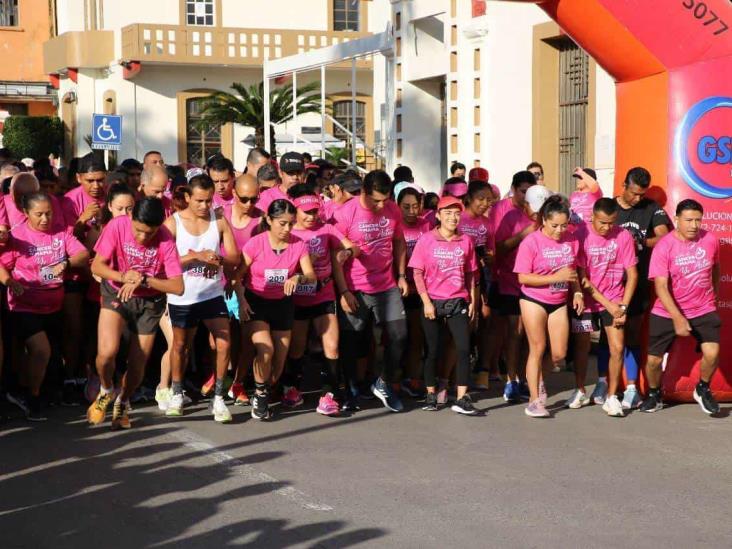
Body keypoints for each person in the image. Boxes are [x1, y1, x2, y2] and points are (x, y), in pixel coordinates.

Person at [87, 197, 183, 430]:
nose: (142, 238)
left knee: (138, 364)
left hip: (149, 303)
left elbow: (178, 286)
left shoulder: (165, 240)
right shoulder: (117, 225)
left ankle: (123, 401)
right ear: (131, 218)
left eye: (149, 234)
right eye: (138, 231)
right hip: (117, 292)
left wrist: (146, 280)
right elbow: (97, 266)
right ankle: (106, 389)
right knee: (107, 352)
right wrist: (124, 276)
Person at [0, 192, 89, 421]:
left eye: (48, 213)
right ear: (26, 213)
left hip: (54, 306)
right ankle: (33, 398)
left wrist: (66, 263)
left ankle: (40, 390)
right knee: (41, 351)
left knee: (49, 355)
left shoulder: (61, 232)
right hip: (24, 307)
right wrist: (10, 282)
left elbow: (83, 254)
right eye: (38, 214)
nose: (44, 219)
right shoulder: (18, 236)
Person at [162, 175, 239, 422]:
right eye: (199, 201)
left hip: (212, 293)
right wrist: (195, 257)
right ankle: (176, 392)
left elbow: (235, 258)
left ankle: (218, 398)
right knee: (180, 345)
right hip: (183, 296)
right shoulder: (172, 223)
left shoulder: (219, 221)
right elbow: (162, 263)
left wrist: (220, 260)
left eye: (208, 201)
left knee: (224, 341)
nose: (205, 206)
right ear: (187, 197)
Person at [592, 167, 671, 405]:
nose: (638, 198)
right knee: (607, 337)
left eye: (642, 194)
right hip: (606, 283)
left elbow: (665, 237)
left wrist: (643, 241)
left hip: (636, 281)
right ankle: (603, 382)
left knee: (633, 333)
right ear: (624, 186)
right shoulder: (609, 208)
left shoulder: (651, 208)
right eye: (634, 193)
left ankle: (632, 387)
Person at [333, 170, 409, 412]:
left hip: (387, 285)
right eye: (376, 200)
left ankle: (382, 382)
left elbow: (399, 242)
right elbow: (337, 257)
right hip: (355, 287)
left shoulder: (392, 210)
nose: (381, 205)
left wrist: (401, 275)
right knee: (352, 341)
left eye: (385, 200)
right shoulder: (345, 213)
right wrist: (344, 292)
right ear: (363, 192)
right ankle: (351, 390)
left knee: (399, 336)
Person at [640, 199, 721, 415]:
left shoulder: (710, 240)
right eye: (688, 220)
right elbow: (660, 286)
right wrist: (677, 317)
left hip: (703, 308)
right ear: (676, 219)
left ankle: (702, 388)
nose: (694, 225)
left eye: (698, 220)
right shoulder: (664, 246)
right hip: (667, 310)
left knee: (712, 353)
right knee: (654, 361)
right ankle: (655, 393)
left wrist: (714, 292)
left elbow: (715, 267)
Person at [238, 199, 316, 420]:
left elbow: (311, 275)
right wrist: (242, 301)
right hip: (257, 301)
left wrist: (298, 276)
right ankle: (260, 396)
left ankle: (264, 386)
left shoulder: (298, 244)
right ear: (269, 220)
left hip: (283, 303)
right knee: (266, 349)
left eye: (291, 224)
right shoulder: (256, 244)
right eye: (282, 223)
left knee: (279, 362)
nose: (287, 229)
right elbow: (238, 277)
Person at [283, 184, 356, 415]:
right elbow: (279, 266)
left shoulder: (326, 229)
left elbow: (353, 247)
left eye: (315, 211)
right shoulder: (289, 232)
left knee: (332, 348)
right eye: (307, 212)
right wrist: (303, 262)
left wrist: (347, 253)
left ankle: (330, 395)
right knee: (296, 349)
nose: (312, 216)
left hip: (324, 294)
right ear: (296, 212)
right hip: (298, 299)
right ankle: (292, 389)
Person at [515, 195, 584, 418]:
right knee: (537, 348)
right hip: (533, 299)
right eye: (554, 225)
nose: (559, 230)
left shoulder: (572, 240)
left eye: (564, 225)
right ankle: (534, 400)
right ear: (544, 220)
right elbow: (523, 277)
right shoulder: (531, 242)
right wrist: (555, 277)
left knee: (558, 354)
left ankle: (539, 380)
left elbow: (573, 271)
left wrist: (578, 293)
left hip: (558, 300)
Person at [410, 196, 479, 414]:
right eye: (447, 213)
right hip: (432, 301)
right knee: (432, 350)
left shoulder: (466, 241)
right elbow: (417, 273)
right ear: (438, 215)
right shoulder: (426, 240)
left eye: (457, 213)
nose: (453, 217)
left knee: (463, 348)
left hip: (458, 300)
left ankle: (461, 397)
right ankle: (431, 394)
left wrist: (473, 300)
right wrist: (426, 302)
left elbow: (471, 274)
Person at [570, 198, 638, 416]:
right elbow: (582, 277)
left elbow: (633, 274)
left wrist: (623, 307)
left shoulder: (623, 236)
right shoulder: (580, 234)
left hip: (616, 299)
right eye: (602, 222)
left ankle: (611, 397)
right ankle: (580, 389)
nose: (606, 227)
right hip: (588, 301)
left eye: (611, 223)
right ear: (592, 216)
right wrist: (608, 304)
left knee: (617, 347)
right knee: (582, 345)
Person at [61, 154, 107, 404]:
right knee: (75, 329)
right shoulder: (69, 201)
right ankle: (70, 377)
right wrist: (81, 220)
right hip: (76, 274)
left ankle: (93, 376)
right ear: (79, 178)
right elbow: (64, 242)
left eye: (100, 179)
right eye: (90, 180)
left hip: (104, 274)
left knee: (97, 331)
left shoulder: (111, 195)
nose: (96, 186)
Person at [489, 171, 537, 402]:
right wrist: (524, 234)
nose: (527, 197)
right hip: (508, 280)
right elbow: (498, 249)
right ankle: (510, 379)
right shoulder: (506, 214)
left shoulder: (543, 216)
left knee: (530, 334)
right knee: (514, 332)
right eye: (523, 192)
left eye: (531, 192)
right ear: (514, 189)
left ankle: (526, 377)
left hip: (536, 285)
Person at [220, 173, 261, 406]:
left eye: (254, 199)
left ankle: (238, 382)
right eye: (244, 199)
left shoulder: (261, 220)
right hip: (219, 284)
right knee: (222, 338)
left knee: (247, 338)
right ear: (234, 193)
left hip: (247, 285)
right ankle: (222, 378)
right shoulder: (220, 215)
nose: (249, 204)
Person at [458, 180, 495, 387]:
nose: (484, 203)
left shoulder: (487, 223)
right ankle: (456, 372)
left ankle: (483, 368)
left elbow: (491, 250)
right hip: (457, 277)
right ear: (469, 198)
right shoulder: (458, 218)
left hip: (481, 275)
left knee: (485, 319)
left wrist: (489, 257)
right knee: (465, 325)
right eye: (481, 199)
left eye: (488, 200)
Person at [396, 185, 430, 397]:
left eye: (415, 206)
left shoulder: (427, 225)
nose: (411, 211)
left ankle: (413, 377)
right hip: (396, 287)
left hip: (419, 288)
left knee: (417, 336)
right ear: (397, 206)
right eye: (406, 207)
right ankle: (393, 378)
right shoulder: (392, 225)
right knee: (397, 337)